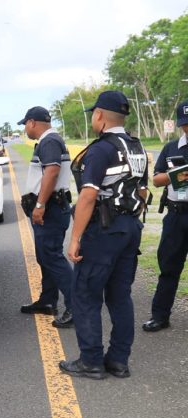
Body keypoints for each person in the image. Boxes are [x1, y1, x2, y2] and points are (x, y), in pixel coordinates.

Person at [60, 90, 149, 379]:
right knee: (120, 296)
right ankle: (119, 361)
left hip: (104, 230)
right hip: (130, 228)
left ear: (99, 115)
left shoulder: (101, 149)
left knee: (85, 293)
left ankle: (91, 361)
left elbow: (88, 196)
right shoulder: (137, 147)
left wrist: (75, 239)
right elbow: (144, 191)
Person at [17, 106, 74, 328]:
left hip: (49, 209)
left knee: (52, 257)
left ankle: (75, 306)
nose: (25, 129)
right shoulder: (51, 140)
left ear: (32, 122)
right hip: (52, 208)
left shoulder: (49, 141)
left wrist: (39, 205)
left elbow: (52, 171)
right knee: (45, 257)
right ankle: (48, 300)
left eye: (25, 125)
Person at [142, 100, 188, 332]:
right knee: (168, 266)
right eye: (186, 124)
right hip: (177, 215)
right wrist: (178, 175)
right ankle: (160, 316)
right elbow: (157, 179)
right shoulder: (171, 148)